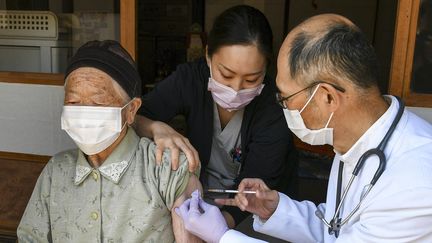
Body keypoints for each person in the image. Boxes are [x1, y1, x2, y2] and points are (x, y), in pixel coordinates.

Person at [175, 14, 432, 242]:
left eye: (285, 98)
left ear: (326, 97)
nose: (282, 106)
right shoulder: (355, 144)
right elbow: (335, 230)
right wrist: (273, 208)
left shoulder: (415, 184)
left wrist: (224, 237)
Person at [17, 40, 202, 243]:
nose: (84, 112)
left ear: (131, 110)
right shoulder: (56, 171)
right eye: (73, 102)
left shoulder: (166, 168)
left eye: (98, 102)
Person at [135, 5, 297, 227]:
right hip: (196, 199)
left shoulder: (274, 107)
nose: (236, 88)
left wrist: (216, 230)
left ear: (266, 69)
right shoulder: (191, 79)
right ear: (208, 56)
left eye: (251, 80)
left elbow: (257, 192)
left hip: (254, 217)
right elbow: (135, 116)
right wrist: (156, 128)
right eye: (226, 74)